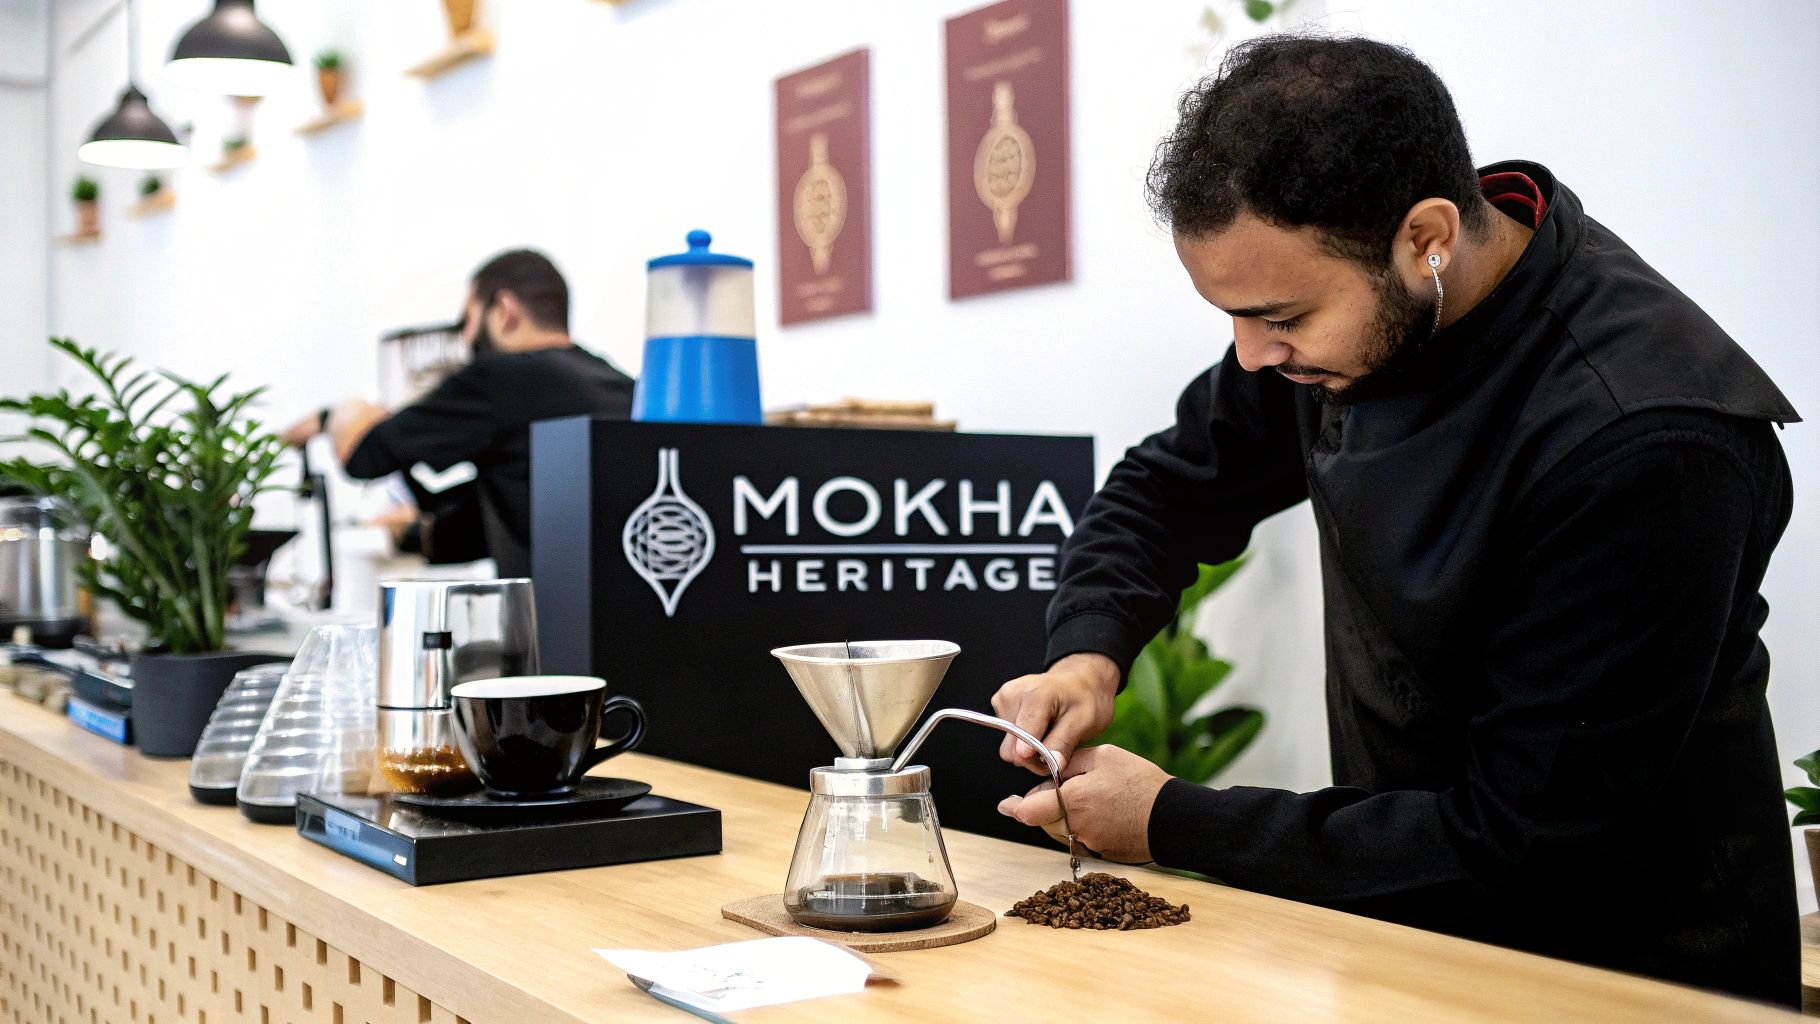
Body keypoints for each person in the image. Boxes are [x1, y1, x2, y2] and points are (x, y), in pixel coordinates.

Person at [991, 35, 1800, 1006]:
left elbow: (1519, 838)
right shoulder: (1352, 319)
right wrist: (1087, 651)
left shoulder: (1642, 440)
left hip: (1624, 970)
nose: (1249, 357)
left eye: (1278, 316)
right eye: (1233, 319)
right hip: (1404, 933)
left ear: (1425, 237)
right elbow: (1165, 489)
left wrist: (1171, 819)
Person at [282, 249, 634, 578]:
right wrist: (416, 530)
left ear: (505, 311)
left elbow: (363, 456)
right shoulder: (623, 386)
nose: (465, 337)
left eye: (466, 319)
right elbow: (528, 512)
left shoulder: (501, 378)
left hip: (549, 630)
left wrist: (329, 418)